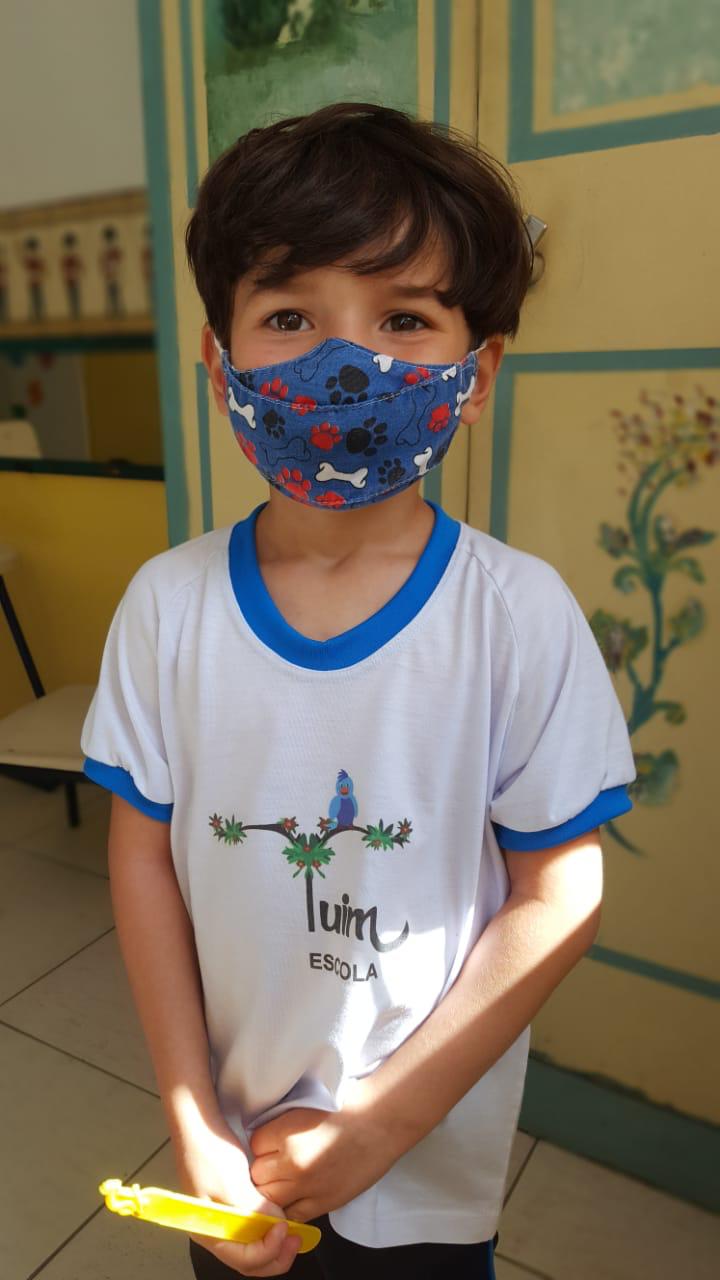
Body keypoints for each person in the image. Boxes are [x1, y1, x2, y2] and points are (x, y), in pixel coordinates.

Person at [81, 102, 637, 1279]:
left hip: (428, 1175)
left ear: (477, 371)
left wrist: (388, 1118)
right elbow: (144, 857)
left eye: (405, 318)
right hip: (233, 1163)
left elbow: (560, 885)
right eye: (289, 315)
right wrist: (192, 1119)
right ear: (218, 359)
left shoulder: (518, 616)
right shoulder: (168, 606)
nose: (345, 365)